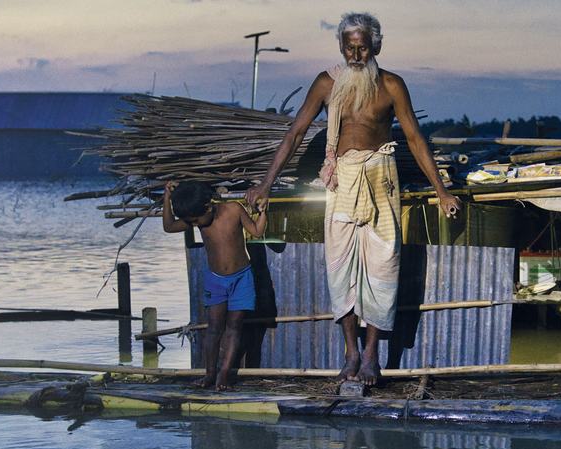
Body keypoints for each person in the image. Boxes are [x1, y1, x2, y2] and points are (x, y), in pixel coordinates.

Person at [246, 12, 462, 386]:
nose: (357, 55)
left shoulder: (392, 85)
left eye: (363, 48)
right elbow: (296, 133)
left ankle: (373, 357)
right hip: (343, 182)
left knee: (382, 268)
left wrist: (441, 191)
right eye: (350, 48)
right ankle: (350, 354)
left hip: (382, 179)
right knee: (341, 268)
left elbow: (414, 138)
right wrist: (265, 184)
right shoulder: (327, 83)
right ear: (341, 47)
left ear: (376, 46)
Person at [163, 180, 269, 390]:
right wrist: (167, 198)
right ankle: (209, 374)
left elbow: (257, 232)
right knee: (213, 329)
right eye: (190, 222)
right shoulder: (199, 219)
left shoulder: (234, 210)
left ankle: (223, 375)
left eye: (194, 220)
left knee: (234, 327)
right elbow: (168, 226)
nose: (193, 225)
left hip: (242, 279)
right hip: (216, 280)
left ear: (208, 207)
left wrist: (263, 211)